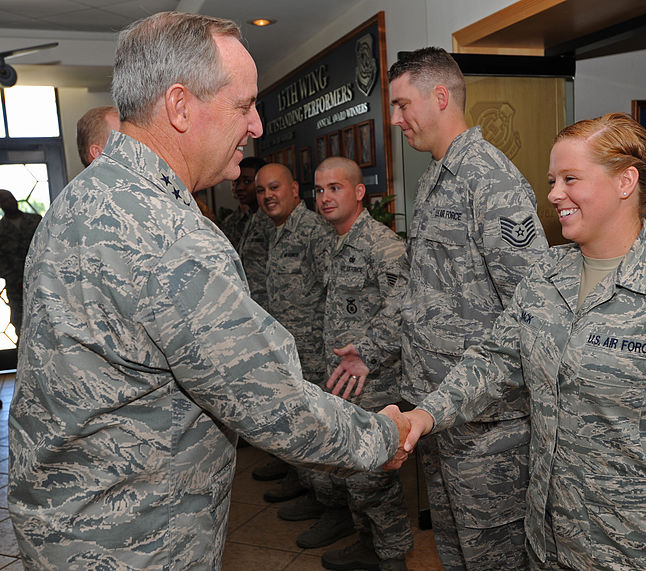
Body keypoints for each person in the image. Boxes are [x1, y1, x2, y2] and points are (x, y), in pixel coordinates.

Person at [8, 12, 409, 569]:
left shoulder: (83, 199)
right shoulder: (171, 234)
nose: (258, 126)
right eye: (244, 105)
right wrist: (386, 437)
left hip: (66, 526)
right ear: (179, 107)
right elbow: (275, 406)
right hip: (134, 541)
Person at [397, 112, 646, 570]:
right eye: (552, 179)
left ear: (625, 181)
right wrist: (425, 414)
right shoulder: (545, 275)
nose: (553, 194)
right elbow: (494, 361)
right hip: (550, 547)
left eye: (570, 178)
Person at [332, 47, 548, 570]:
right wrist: (374, 351)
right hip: (436, 411)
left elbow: (533, 306)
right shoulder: (432, 179)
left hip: (486, 426)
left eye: (403, 104)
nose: (395, 118)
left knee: (493, 555)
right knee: (454, 550)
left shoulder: (490, 180)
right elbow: (419, 295)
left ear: (441, 96)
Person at [315, 157, 413, 571]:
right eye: (319, 190)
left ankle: (392, 556)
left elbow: (402, 307)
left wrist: (367, 353)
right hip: (340, 379)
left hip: (373, 381)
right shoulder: (329, 242)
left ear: (359, 193)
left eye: (335, 188)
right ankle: (366, 543)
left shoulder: (382, 245)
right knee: (351, 467)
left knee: (374, 474)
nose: (324, 197)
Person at [253, 162, 357, 550]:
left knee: (321, 433)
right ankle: (314, 494)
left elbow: (338, 292)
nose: (267, 196)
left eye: (274, 187)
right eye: (262, 191)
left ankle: (336, 511)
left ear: (295, 190)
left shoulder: (311, 231)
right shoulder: (277, 231)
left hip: (316, 354)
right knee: (303, 431)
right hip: (290, 355)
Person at [0, 189, 41, 338]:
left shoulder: (36, 220)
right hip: (16, 287)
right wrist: (16, 279)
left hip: (41, 281)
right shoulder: (1, 229)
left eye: (11, 198)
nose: (9, 202)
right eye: (4, 200)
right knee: (21, 326)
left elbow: (46, 248)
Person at [218, 155, 264, 248]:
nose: (239, 188)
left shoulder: (273, 220)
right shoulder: (248, 218)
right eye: (237, 182)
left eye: (247, 182)